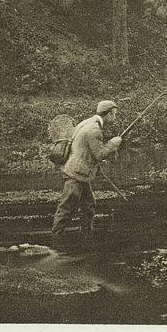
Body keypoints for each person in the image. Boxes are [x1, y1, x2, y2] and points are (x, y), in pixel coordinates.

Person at [51, 100, 123, 239]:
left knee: (89, 205)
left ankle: (86, 234)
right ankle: (56, 239)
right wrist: (113, 144)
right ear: (107, 114)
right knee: (66, 207)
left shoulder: (86, 123)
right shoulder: (94, 130)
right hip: (76, 173)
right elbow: (99, 154)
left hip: (79, 171)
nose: (114, 118)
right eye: (114, 115)